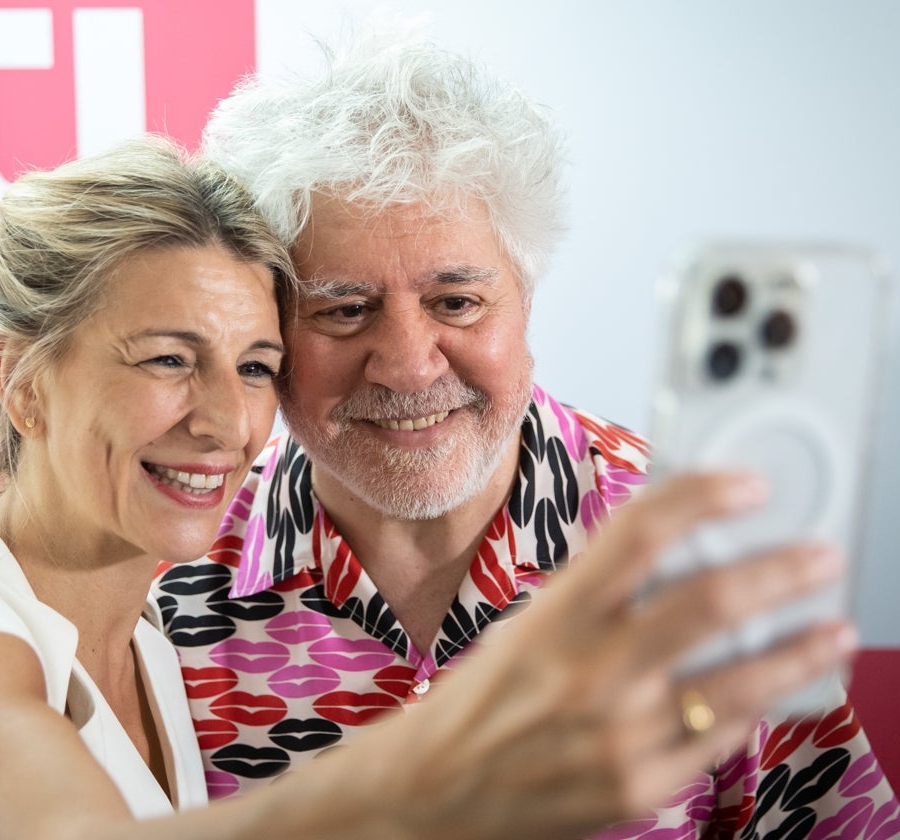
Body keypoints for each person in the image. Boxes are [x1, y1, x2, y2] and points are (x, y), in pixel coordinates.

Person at [154, 31, 900, 838]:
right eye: (343, 308)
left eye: (457, 302)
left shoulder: (697, 554)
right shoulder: (165, 578)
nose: (408, 367)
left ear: (527, 298)